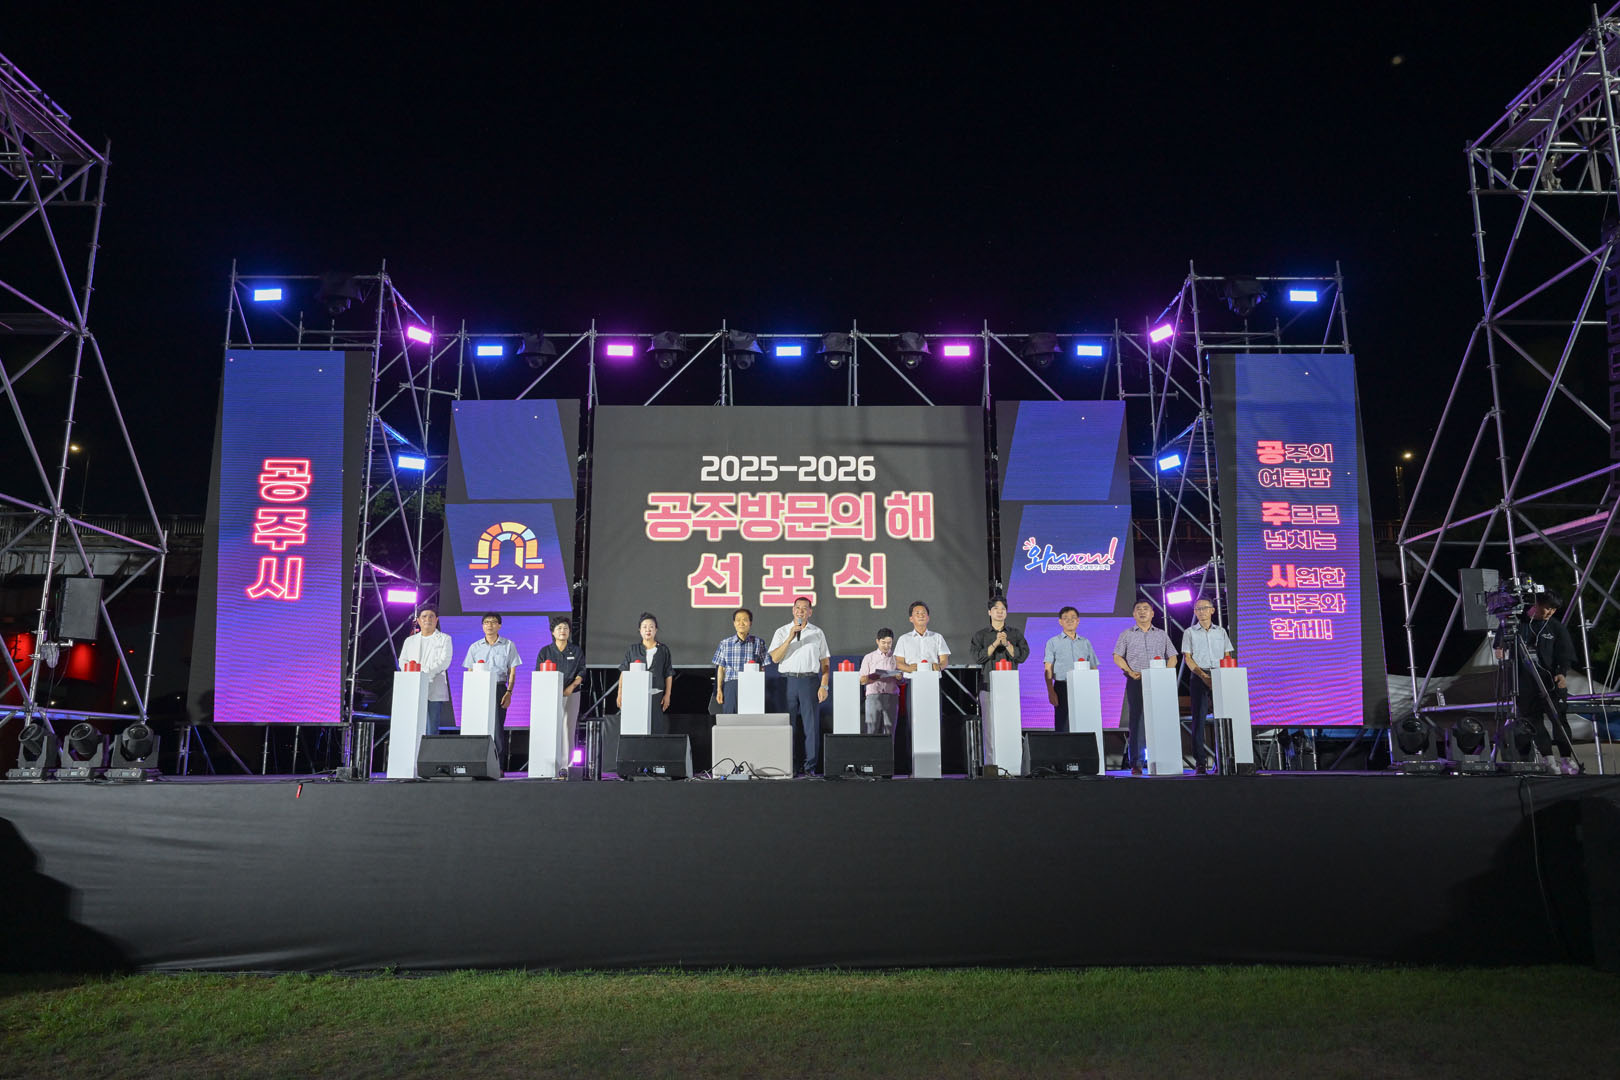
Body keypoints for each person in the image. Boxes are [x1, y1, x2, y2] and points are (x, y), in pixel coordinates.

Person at [1494, 591, 1580, 774]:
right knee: (1534, 721)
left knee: (1559, 719)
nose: (1549, 612)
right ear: (1536, 604)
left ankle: (1567, 759)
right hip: (1524, 682)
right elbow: (1499, 645)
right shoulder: (1516, 622)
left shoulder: (1556, 627)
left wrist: (1562, 673)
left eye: (1553, 609)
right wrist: (1500, 649)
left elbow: (1565, 653)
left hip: (1550, 682)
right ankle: (1548, 759)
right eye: (1547, 608)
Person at [1113, 600, 1177, 776]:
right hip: (1137, 679)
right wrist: (1129, 671)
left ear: (1153, 613)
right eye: (1138, 609)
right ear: (1134, 614)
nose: (1142, 612)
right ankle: (1137, 763)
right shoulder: (1126, 634)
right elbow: (1117, 656)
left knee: (1161, 718)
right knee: (1137, 720)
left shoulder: (1161, 634)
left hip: (1158, 681)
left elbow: (1173, 656)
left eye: (1146, 609)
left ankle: (1164, 759)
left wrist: (1166, 673)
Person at [768, 596, 830, 774]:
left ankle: (810, 767)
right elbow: (775, 658)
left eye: (805, 608)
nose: (800, 611)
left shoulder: (817, 632)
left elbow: (825, 662)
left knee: (811, 726)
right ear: (793, 610)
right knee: (788, 726)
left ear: (810, 612)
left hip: (809, 681)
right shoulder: (782, 631)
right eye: (798, 608)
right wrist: (790, 638)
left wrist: (824, 685)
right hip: (787, 682)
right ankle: (790, 766)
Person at [1181, 598, 1235, 774]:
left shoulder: (1221, 632)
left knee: (1224, 717)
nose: (1201, 611)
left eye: (1205, 608)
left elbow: (1227, 655)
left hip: (1220, 674)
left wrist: (1224, 675)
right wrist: (1203, 676)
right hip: (1199, 675)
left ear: (1212, 610)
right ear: (1194, 612)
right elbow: (1188, 658)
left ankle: (1224, 760)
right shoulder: (1189, 632)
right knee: (1199, 718)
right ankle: (1200, 762)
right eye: (1198, 609)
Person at [462, 612, 521, 757]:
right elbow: (470, 671)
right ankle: (476, 760)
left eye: (493, 622)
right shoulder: (475, 647)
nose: (490, 625)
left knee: (497, 727)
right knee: (477, 725)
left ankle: (497, 763)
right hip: (478, 690)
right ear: (482, 626)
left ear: (499, 625)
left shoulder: (508, 645)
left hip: (498, 688)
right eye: (486, 622)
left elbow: (512, 672)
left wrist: (509, 692)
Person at [969, 596, 1030, 731]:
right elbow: (977, 657)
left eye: (1003, 609)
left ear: (1006, 612)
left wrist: (1007, 644)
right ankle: (990, 747)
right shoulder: (981, 635)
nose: (1000, 611)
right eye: (996, 608)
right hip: (988, 686)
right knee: (989, 726)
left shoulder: (1015, 633)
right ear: (989, 612)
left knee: (1010, 723)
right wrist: (995, 643)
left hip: (1010, 687)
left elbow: (1022, 656)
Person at [1043, 606, 1099, 733]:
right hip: (1062, 687)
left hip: (1084, 688)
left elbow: (1093, 667)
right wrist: (1051, 691)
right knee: (1063, 724)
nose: (1070, 620)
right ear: (1060, 622)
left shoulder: (1085, 642)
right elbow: (1048, 668)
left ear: (1078, 621)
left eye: (1073, 618)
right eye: (1065, 618)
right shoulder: (1053, 642)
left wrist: (1094, 690)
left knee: (1085, 722)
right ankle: (1063, 746)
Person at [398, 605, 453, 733]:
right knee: (411, 727)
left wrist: (424, 674)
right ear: (418, 620)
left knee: (431, 728)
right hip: (413, 687)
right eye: (424, 616)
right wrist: (413, 675)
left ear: (436, 619)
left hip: (434, 687)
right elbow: (403, 661)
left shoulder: (445, 639)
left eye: (431, 616)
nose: (427, 619)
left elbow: (444, 662)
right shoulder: (410, 641)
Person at [617, 612, 673, 733]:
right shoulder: (633, 650)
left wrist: (667, 695)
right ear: (640, 630)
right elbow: (624, 672)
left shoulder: (663, 650)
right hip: (635, 694)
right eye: (645, 627)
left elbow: (668, 673)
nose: (648, 630)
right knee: (637, 725)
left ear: (656, 630)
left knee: (655, 724)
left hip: (656, 693)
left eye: (651, 627)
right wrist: (620, 693)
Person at [536, 615, 586, 745]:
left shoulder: (576, 651)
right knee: (550, 726)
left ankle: (567, 758)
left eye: (565, 628)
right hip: (550, 694)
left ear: (569, 631)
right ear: (553, 632)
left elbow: (582, 671)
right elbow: (539, 674)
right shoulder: (545, 651)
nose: (562, 631)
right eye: (559, 628)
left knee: (568, 728)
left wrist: (571, 687)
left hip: (572, 693)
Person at [712, 607, 767, 714]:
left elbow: (763, 667)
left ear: (750, 623)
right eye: (738, 620)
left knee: (751, 716)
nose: (741, 623)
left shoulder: (758, 642)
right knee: (730, 715)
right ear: (734, 623)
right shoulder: (725, 643)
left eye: (745, 620)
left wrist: (760, 688)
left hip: (752, 684)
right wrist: (719, 689)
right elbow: (721, 668)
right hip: (731, 684)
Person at [858, 628, 903, 736]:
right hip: (873, 696)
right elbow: (862, 680)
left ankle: (889, 748)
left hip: (891, 697)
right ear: (877, 641)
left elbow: (903, 681)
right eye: (883, 642)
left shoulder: (897, 658)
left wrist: (899, 677)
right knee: (872, 729)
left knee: (890, 731)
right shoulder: (869, 657)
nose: (886, 646)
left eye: (889, 643)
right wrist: (874, 676)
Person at [894, 600, 951, 677]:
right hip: (911, 678)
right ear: (911, 619)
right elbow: (899, 663)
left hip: (932, 678)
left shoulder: (937, 637)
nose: (921, 616)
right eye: (917, 613)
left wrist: (939, 666)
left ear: (928, 618)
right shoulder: (903, 639)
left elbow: (944, 660)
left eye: (923, 613)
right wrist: (908, 668)